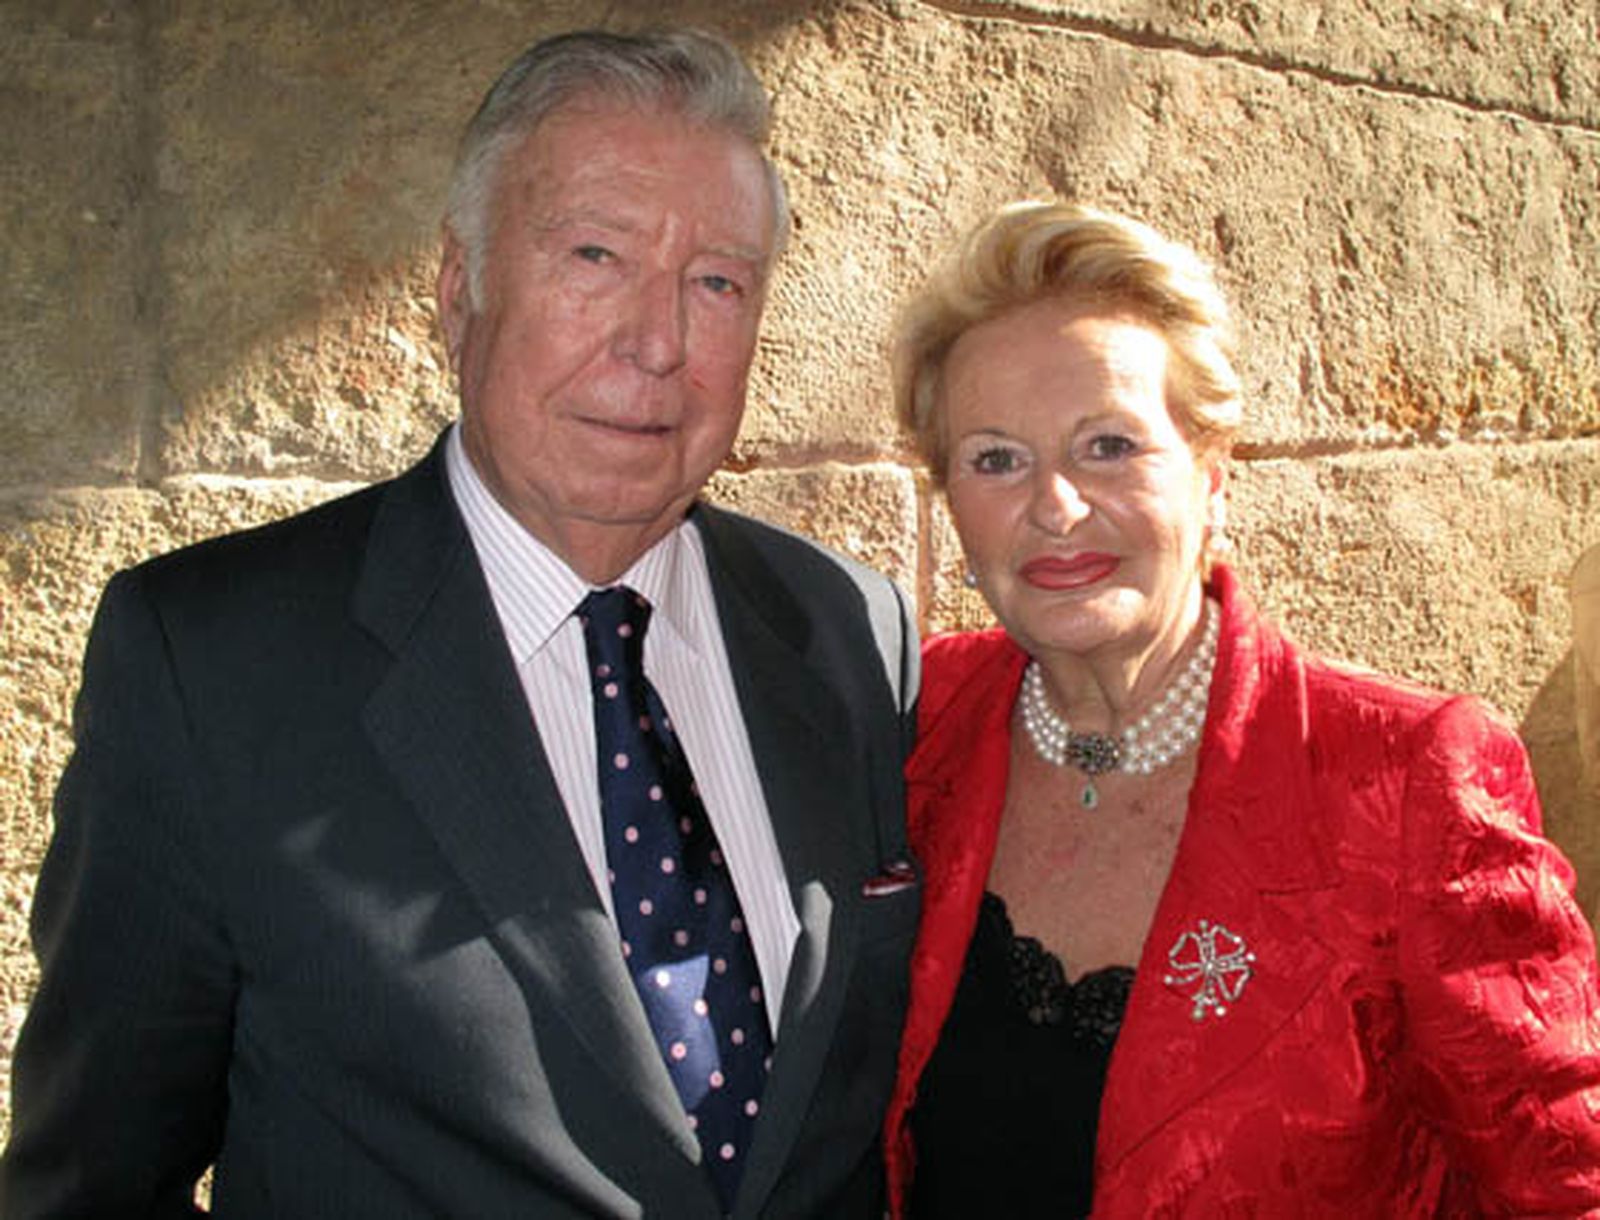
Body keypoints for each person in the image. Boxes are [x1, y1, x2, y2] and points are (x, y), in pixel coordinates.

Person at [1, 29, 920, 1220]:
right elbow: (90, 1181)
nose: (657, 344)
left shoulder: (849, 627)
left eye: (717, 282)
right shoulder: (210, 661)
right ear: (457, 288)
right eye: (594, 254)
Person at [881, 200, 1600, 1217]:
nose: (1055, 505)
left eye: (1108, 445)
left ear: (1211, 480)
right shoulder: (918, 713)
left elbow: (1562, 1181)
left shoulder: (1402, 778)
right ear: (952, 501)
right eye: (996, 457)